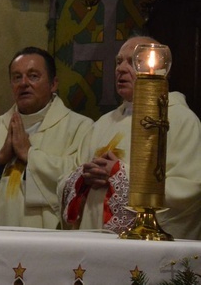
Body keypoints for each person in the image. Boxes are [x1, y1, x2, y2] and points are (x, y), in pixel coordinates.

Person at [60, 36, 201, 239]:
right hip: (91, 245)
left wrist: (120, 176)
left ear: (159, 68)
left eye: (134, 61)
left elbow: (190, 190)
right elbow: (68, 175)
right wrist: (83, 177)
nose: (121, 69)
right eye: (119, 62)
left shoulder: (181, 120)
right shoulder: (103, 124)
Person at [0, 47, 92, 228]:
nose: (23, 83)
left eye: (33, 76)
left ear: (53, 83)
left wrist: (30, 155)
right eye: (17, 77)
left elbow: (80, 178)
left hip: (45, 239)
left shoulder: (80, 128)